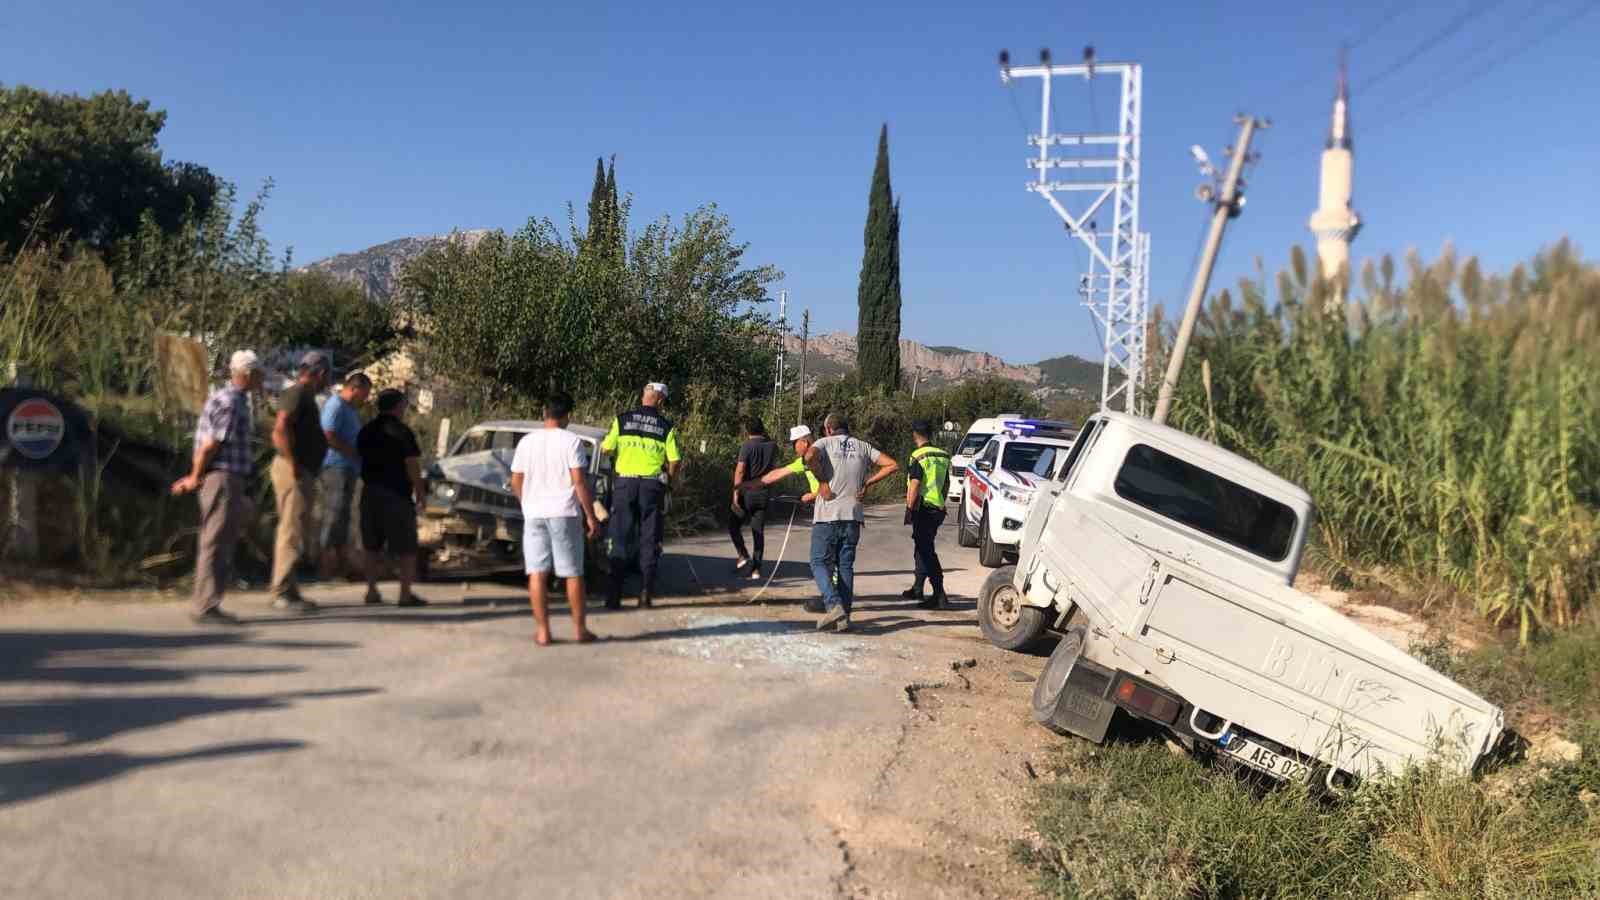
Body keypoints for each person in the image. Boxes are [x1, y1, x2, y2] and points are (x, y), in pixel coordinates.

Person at [172, 350, 264, 625]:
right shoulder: (232, 402)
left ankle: (210, 602)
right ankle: (206, 605)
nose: (261, 379)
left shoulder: (231, 399)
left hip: (227, 477)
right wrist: (194, 476)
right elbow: (212, 444)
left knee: (220, 539)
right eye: (258, 374)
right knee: (216, 541)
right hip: (222, 478)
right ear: (247, 375)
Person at [509, 391, 603, 646]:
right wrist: (591, 516)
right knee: (572, 573)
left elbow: (516, 480)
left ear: (544, 414)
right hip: (564, 513)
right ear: (567, 416)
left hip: (534, 514)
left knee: (537, 573)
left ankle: (543, 632)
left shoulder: (526, 442)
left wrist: (527, 503)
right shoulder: (572, 442)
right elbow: (579, 482)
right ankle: (580, 630)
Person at [803, 413, 899, 632]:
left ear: (828, 429)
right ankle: (844, 618)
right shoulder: (863, 447)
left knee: (818, 562)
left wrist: (823, 482)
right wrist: (868, 483)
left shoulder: (824, 443)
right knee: (845, 565)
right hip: (853, 516)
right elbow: (892, 464)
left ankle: (833, 605)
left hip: (828, 515)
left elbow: (809, 457)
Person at [599, 382, 681, 609]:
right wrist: (669, 482)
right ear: (661, 401)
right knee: (650, 539)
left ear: (643, 396)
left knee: (620, 537)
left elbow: (605, 449)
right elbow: (675, 461)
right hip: (652, 487)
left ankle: (613, 596)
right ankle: (645, 594)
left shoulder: (621, 420)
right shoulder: (666, 426)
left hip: (625, 484)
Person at [269, 351, 331, 612]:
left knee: (297, 529)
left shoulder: (304, 395)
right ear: (320, 373)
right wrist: (293, 462)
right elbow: (280, 428)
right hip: (293, 469)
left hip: (301, 469)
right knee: (291, 530)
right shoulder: (297, 393)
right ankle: (282, 591)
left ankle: (290, 589)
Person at [356, 389, 428, 607]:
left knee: (371, 545)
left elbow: (359, 457)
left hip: (370, 493)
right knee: (406, 546)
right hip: (396, 494)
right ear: (398, 406)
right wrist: (420, 491)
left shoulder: (366, 431)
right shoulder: (403, 432)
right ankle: (405, 594)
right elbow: (412, 464)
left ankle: (371, 591)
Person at [743, 424, 823, 609]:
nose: (793, 448)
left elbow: (832, 485)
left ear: (805, 441)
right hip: (825, 509)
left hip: (830, 510)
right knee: (827, 558)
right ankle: (835, 597)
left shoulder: (817, 456)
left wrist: (812, 495)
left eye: (795, 443)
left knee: (821, 558)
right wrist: (750, 484)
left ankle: (832, 599)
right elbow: (778, 473)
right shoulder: (804, 460)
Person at [318, 372, 372, 582]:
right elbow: (328, 435)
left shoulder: (350, 409)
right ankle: (325, 567)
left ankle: (341, 567)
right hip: (335, 468)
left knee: (343, 518)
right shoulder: (336, 406)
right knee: (333, 515)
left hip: (349, 469)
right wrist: (351, 451)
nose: (365, 399)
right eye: (364, 394)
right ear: (354, 389)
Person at [902, 420, 953, 610]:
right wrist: (941, 502)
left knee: (926, 551)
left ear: (915, 434)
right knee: (922, 546)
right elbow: (946, 484)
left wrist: (909, 508)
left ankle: (939, 594)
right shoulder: (943, 455)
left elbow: (915, 484)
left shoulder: (918, 455)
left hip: (922, 508)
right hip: (937, 508)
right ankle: (917, 588)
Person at [728, 418, 778, 580]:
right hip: (763, 493)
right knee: (758, 531)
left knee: (733, 525)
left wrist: (736, 492)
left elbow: (740, 471)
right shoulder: (772, 446)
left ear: (747, 431)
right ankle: (756, 569)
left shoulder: (747, 446)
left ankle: (743, 554)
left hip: (746, 493)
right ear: (762, 429)